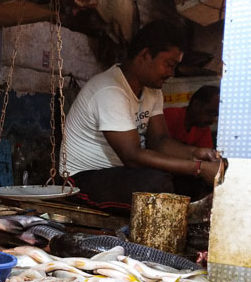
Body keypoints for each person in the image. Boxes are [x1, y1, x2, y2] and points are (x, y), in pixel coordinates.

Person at [62, 20, 222, 214]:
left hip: (120, 173)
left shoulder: (153, 91)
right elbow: (133, 156)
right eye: (168, 65)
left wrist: (195, 153)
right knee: (155, 185)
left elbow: (160, 141)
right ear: (145, 55)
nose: (171, 73)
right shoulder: (110, 90)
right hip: (80, 181)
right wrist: (198, 167)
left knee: (189, 183)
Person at [164, 85, 219, 149]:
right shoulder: (169, 116)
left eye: (216, 115)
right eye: (210, 113)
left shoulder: (203, 128)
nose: (213, 120)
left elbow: (205, 155)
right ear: (196, 105)